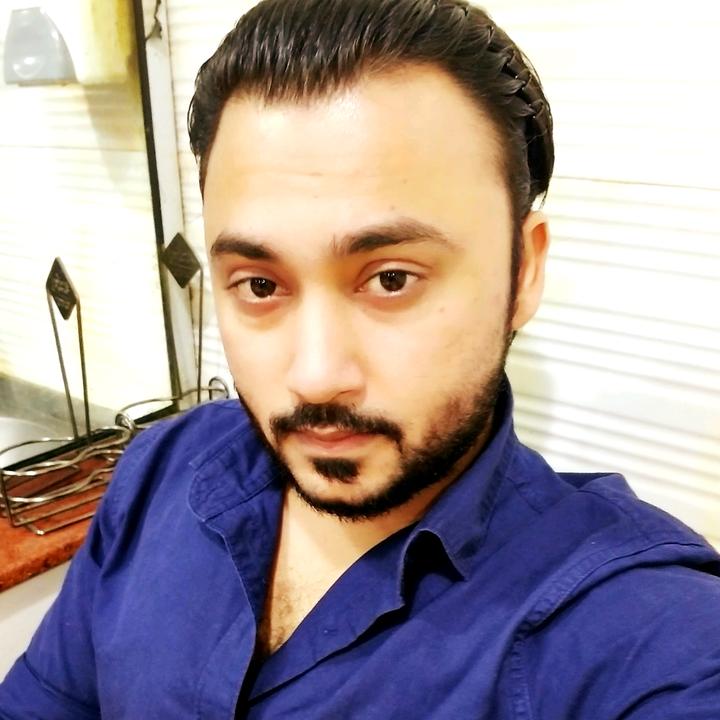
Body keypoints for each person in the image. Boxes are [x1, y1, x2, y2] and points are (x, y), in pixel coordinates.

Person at [2, 0, 719, 717]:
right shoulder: (162, 469)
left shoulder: (647, 636)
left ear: (523, 272)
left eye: (392, 279)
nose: (315, 377)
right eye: (260, 285)